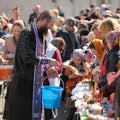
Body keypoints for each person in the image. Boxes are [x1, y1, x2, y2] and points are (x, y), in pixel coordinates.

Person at [7, 10, 60, 120]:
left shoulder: (42, 36)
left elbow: (41, 57)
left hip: (35, 82)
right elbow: (27, 57)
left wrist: (49, 68)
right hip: (23, 81)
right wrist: (48, 62)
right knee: (21, 114)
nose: (50, 28)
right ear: (44, 21)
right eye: (50, 25)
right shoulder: (27, 32)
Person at [64, 49, 91, 120]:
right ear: (72, 58)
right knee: (71, 112)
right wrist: (71, 78)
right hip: (71, 92)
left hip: (82, 93)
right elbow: (66, 80)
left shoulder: (86, 66)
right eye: (75, 59)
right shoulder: (69, 67)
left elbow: (89, 79)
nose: (77, 61)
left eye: (79, 60)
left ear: (82, 59)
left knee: (82, 113)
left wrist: (86, 73)